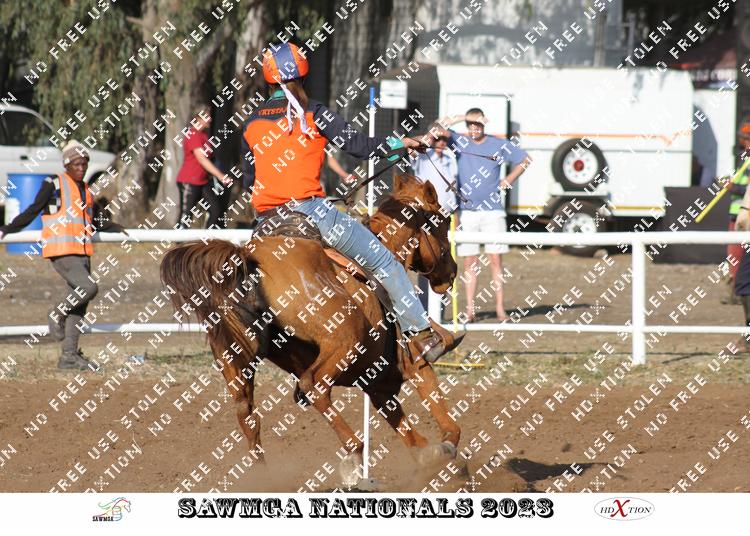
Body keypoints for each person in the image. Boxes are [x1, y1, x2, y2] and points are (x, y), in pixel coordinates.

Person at [240, 42, 463, 362]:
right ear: (303, 75)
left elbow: (250, 182)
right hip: (311, 213)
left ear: (269, 79)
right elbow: (359, 146)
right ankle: (422, 335)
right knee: (385, 262)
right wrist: (402, 143)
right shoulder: (314, 113)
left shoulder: (251, 123)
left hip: (266, 221)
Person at [0, 141, 126, 369]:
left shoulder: (86, 189)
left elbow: (94, 221)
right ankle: (56, 312)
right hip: (62, 251)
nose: (81, 168)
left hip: (83, 252)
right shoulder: (54, 183)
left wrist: (116, 228)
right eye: (76, 164)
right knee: (88, 288)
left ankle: (69, 356)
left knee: (79, 306)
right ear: (66, 164)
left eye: (84, 164)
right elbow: (33, 210)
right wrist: (8, 228)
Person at [436, 108, 532, 321]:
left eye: (478, 124)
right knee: (470, 262)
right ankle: (470, 310)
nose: (474, 128)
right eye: (471, 124)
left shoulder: (498, 144)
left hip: (493, 211)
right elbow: (438, 128)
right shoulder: (460, 141)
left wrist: (508, 180)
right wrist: (464, 117)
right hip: (467, 212)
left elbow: (525, 159)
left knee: (495, 260)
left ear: (484, 125)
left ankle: (500, 309)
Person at [176, 103, 232, 229]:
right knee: (186, 216)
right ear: (198, 118)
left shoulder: (203, 135)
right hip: (189, 182)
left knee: (215, 211)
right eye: (207, 116)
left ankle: (208, 239)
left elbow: (209, 159)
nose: (210, 119)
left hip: (202, 182)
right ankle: (179, 240)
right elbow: (202, 159)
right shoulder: (193, 135)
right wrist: (221, 176)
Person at [723, 123, 750, 305]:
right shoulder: (744, 158)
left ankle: (738, 293)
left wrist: (733, 187)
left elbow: (747, 189)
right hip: (738, 214)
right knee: (735, 257)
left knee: (738, 256)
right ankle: (736, 292)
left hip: (744, 217)